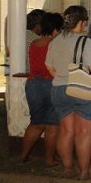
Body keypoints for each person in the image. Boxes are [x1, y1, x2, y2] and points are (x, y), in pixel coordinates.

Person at [45, 5, 91, 180]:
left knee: (66, 131)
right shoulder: (86, 42)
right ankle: (84, 171)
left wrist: (63, 79)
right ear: (82, 22)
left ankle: (67, 168)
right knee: (83, 133)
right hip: (82, 90)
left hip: (59, 90)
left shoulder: (55, 41)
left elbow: (49, 67)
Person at [20, 12, 64, 166]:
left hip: (33, 84)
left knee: (36, 123)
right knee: (52, 125)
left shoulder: (34, 44)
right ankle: (49, 160)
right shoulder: (57, 44)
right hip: (51, 84)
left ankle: (23, 156)